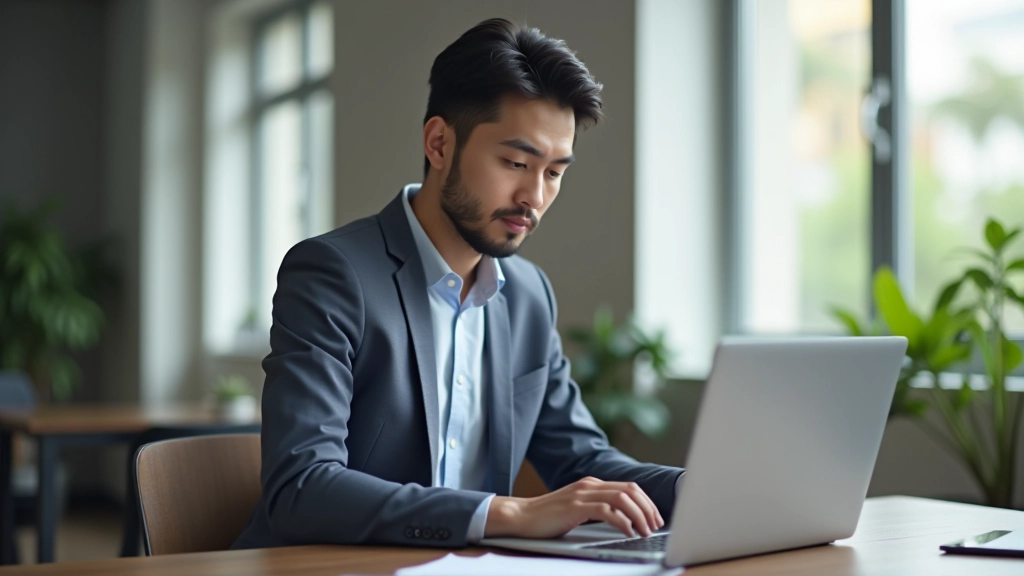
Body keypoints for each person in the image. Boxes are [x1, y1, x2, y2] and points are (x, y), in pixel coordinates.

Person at [233, 17, 683, 550]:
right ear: (440, 143)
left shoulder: (529, 296)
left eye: (555, 172)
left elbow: (583, 460)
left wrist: (710, 489)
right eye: (516, 162)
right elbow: (301, 488)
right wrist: (506, 512)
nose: (534, 197)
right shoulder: (332, 275)